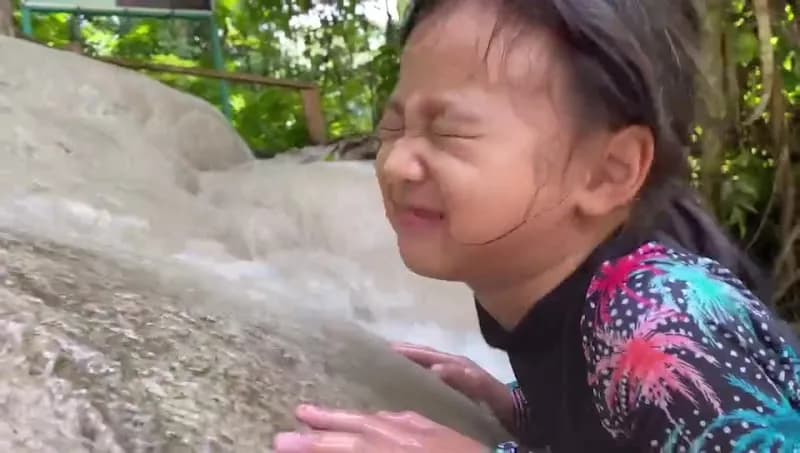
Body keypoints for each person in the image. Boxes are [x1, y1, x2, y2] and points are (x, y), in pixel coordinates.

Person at [273, 0, 800, 451]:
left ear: (607, 172)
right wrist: (520, 408)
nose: (394, 164)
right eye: (393, 127)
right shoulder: (554, 293)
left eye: (450, 133)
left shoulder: (658, 327)